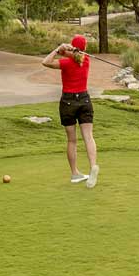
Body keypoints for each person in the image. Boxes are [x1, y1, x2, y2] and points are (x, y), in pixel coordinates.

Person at [41, 35, 98, 187]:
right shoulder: (86, 60)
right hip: (84, 100)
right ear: (84, 48)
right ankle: (93, 166)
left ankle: (75, 174)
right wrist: (64, 49)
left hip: (68, 102)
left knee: (72, 140)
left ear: (73, 47)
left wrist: (58, 48)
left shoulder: (65, 63)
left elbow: (45, 62)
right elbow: (74, 55)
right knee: (88, 136)